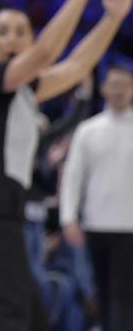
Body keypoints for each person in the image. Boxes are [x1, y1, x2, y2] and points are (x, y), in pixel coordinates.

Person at [0, 0, 132, 331]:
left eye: (21, 32)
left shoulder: (26, 92)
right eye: (3, 32)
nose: (12, 38)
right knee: (12, 316)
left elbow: (77, 65)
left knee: (33, 319)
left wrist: (113, 17)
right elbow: (47, 53)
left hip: (4, 210)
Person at [60, 66, 133, 331]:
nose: (119, 90)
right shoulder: (88, 130)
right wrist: (68, 217)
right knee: (100, 290)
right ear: (103, 88)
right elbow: (73, 176)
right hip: (96, 224)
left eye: (124, 85)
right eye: (114, 84)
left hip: (130, 226)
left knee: (124, 294)